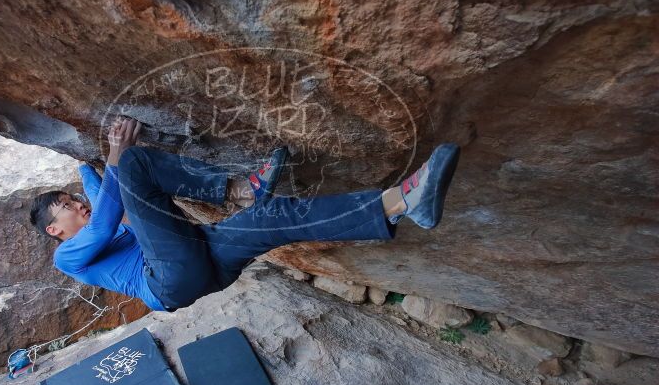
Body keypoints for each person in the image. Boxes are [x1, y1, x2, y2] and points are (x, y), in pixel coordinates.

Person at [30, 117, 460, 312]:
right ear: (55, 230)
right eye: (66, 208)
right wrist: (117, 150)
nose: (77, 206)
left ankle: (402, 203)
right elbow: (105, 217)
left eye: (74, 200)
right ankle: (234, 190)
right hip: (169, 280)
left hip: (204, 264)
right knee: (135, 165)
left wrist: (86, 165)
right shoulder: (67, 258)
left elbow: (96, 192)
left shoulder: (84, 221)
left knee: (272, 216)